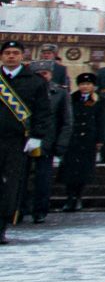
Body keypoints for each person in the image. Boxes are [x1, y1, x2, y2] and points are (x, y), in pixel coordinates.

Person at [0, 41, 54, 245]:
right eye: (7, 52)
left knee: (11, 185)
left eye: (15, 53)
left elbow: (43, 112)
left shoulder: (35, 81)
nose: (11, 56)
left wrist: (37, 136)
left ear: (22, 56)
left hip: (17, 141)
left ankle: (1, 226)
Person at [25, 77, 70, 223]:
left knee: (42, 179)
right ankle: (20, 208)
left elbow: (66, 121)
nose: (41, 75)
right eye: (37, 73)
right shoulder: (24, 88)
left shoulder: (59, 92)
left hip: (47, 142)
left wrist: (61, 143)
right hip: (23, 140)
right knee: (20, 178)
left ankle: (40, 210)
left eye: (45, 72)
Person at [59, 73, 102, 211]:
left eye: (88, 84)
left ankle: (78, 197)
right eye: (82, 84)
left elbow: (101, 120)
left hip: (88, 139)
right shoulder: (71, 98)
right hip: (73, 138)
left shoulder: (98, 100)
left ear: (93, 86)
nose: (85, 87)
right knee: (70, 170)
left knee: (83, 171)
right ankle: (69, 198)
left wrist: (99, 139)